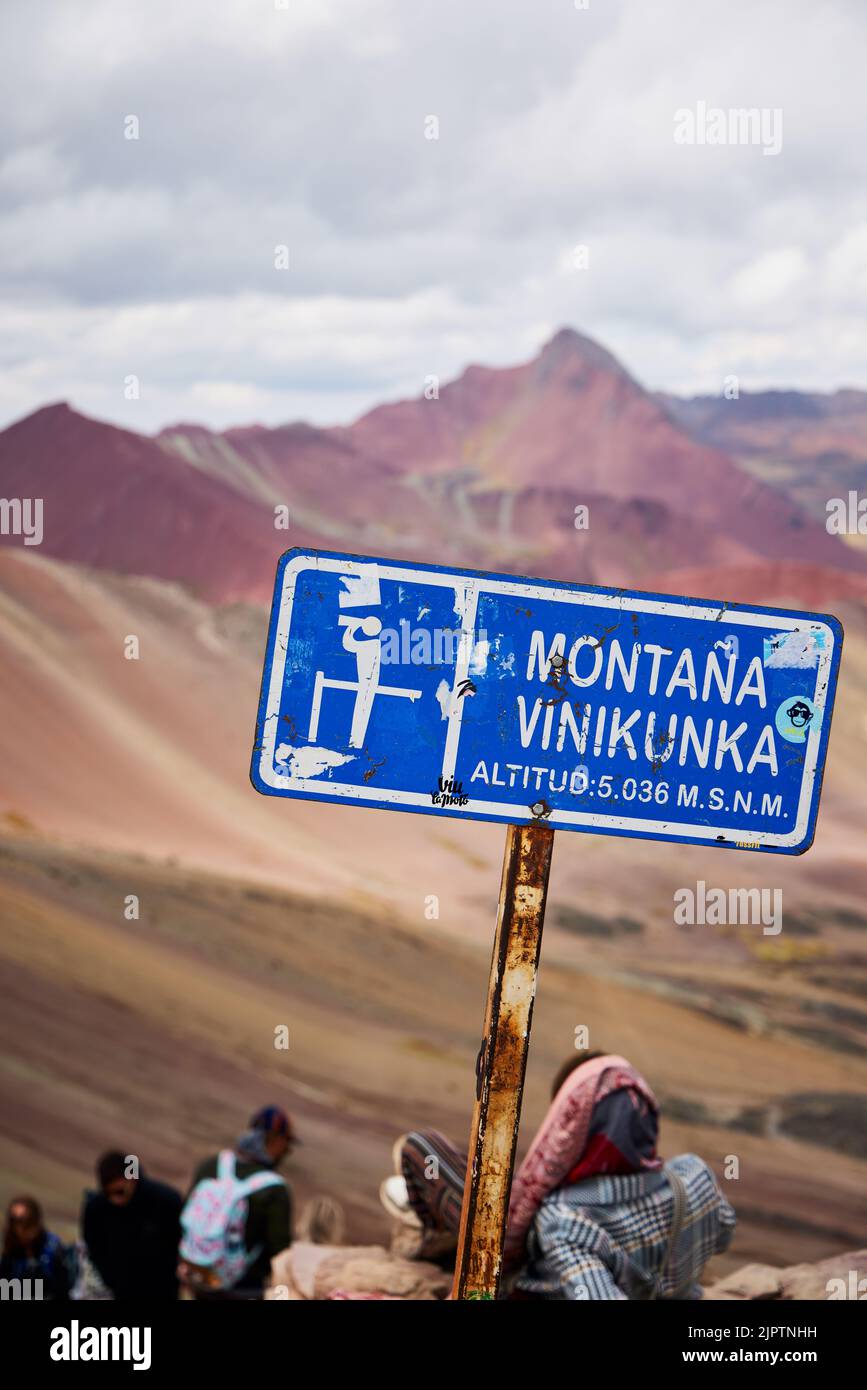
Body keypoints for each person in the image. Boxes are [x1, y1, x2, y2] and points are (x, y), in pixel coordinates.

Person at [380, 1051, 736, 1299]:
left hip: (519, 1278)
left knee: (421, 1147)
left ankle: (435, 1234)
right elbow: (723, 1232)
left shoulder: (563, 1219)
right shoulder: (693, 1175)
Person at [180, 1105, 295, 1298]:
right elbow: (280, 1251)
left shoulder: (212, 1165)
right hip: (241, 1286)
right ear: (275, 1141)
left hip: (196, 1273)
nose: (287, 1151)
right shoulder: (275, 1189)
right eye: (286, 1144)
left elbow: (187, 1213)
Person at [81, 1152, 183, 1300]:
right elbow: (93, 1247)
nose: (115, 1200)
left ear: (132, 1179)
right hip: (121, 1292)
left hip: (164, 1289)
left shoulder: (166, 1201)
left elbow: (184, 1242)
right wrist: (111, 1279)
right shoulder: (96, 1209)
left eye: (119, 1192)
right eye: (108, 1193)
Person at [1, 1195, 71, 1300]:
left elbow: (63, 1290)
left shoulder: (52, 1249)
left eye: (24, 1221)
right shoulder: (11, 1249)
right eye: (13, 1221)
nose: (19, 1228)